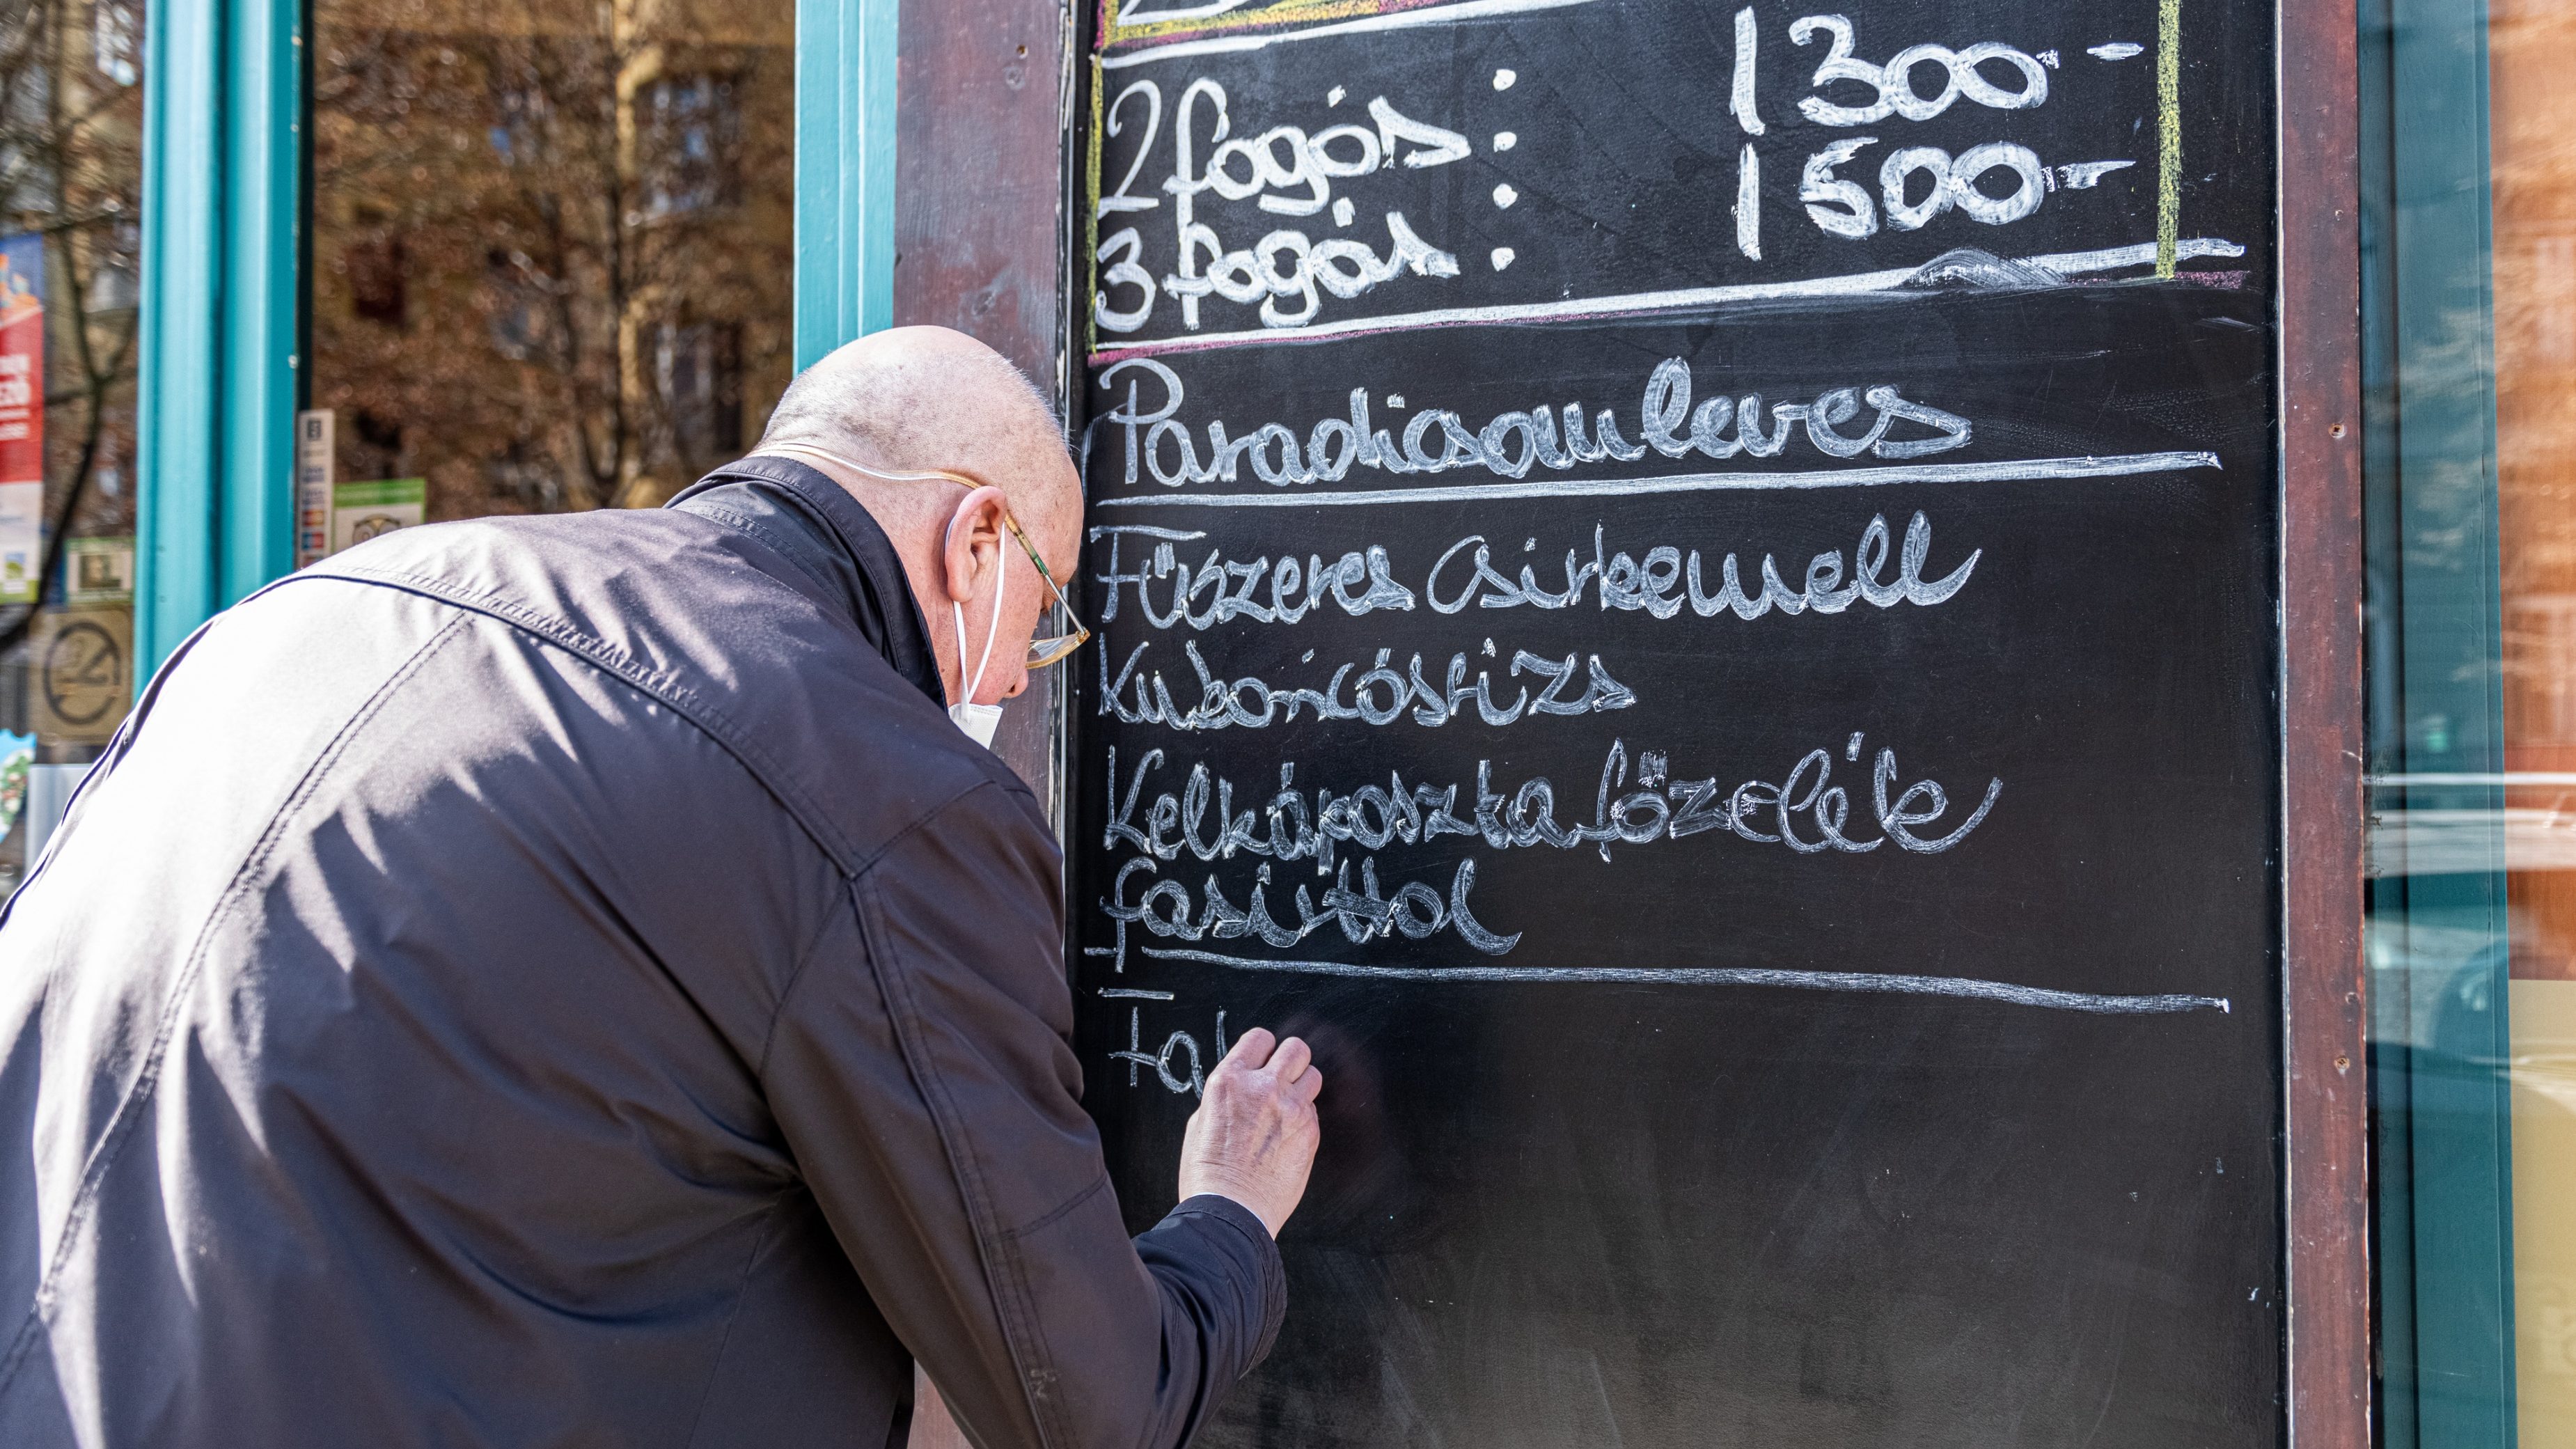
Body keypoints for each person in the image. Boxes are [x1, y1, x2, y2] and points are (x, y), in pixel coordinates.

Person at [0, 327, 1322, 1447]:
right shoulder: (874, 782)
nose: (1028, 672)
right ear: (976, 537)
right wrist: (1228, 1217)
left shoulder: (309, 613)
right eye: (1045, 603)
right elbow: (1076, 1400)